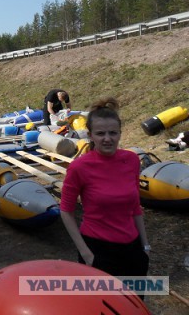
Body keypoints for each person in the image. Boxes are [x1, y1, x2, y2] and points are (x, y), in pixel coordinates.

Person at [60, 97, 149, 281]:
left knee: (133, 305)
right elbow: (66, 212)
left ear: (120, 134)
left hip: (132, 248)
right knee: (102, 308)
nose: (107, 139)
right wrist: (86, 254)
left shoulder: (131, 160)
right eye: (100, 133)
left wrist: (144, 244)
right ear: (90, 135)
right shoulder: (79, 167)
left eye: (113, 133)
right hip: (97, 250)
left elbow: (135, 207)